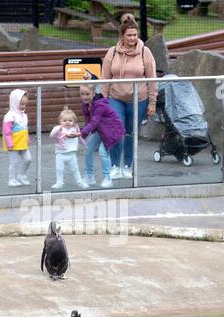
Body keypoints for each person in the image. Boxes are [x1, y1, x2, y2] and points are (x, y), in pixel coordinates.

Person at [101, 13, 157, 179]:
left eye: (135, 35)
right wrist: (103, 100)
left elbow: (152, 79)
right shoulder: (112, 52)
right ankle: (114, 166)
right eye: (129, 35)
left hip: (138, 99)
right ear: (122, 36)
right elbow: (105, 78)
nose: (132, 38)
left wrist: (152, 102)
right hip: (115, 97)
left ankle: (127, 166)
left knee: (131, 133)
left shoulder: (145, 52)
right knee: (116, 131)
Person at [75, 83, 125, 188]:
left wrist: (81, 133)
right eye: (82, 94)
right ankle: (90, 176)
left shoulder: (100, 105)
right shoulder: (85, 105)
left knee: (103, 151)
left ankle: (108, 178)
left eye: (87, 94)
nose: (84, 97)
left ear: (94, 93)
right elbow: (88, 122)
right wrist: (81, 136)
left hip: (112, 130)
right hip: (101, 129)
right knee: (88, 148)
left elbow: (94, 122)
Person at [49, 107, 88, 190]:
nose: (67, 122)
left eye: (70, 120)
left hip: (71, 154)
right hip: (60, 154)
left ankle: (80, 182)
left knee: (75, 169)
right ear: (60, 121)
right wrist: (57, 129)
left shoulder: (74, 129)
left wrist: (83, 141)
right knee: (59, 169)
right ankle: (59, 182)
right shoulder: (58, 129)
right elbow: (51, 135)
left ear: (74, 121)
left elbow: (76, 135)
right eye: (64, 120)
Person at [3, 89, 31, 187]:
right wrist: (9, 143)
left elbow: (25, 128)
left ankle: (21, 175)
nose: (23, 106)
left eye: (25, 104)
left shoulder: (24, 115)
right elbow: (7, 131)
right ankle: (11, 179)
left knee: (28, 159)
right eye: (21, 104)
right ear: (14, 102)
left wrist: (27, 139)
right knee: (14, 162)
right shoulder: (9, 116)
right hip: (13, 144)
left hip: (22, 143)